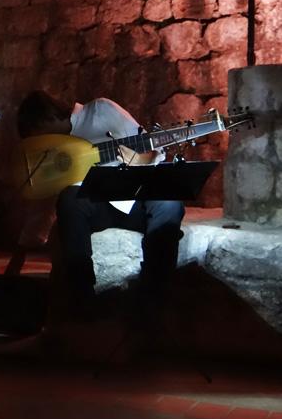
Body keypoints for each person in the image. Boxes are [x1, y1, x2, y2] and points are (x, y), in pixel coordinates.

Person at [15, 90, 185, 314]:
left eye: (37, 135)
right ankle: (82, 295)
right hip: (98, 210)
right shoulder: (53, 153)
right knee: (70, 199)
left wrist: (140, 160)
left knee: (170, 202)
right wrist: (21, 248)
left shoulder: (99, 111)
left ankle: (154, 293)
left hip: (134, 202)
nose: (39, 142)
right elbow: (42, 204)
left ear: (45, 119)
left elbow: (152, 149)